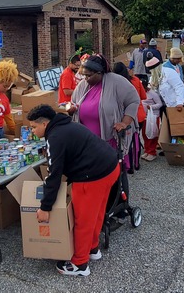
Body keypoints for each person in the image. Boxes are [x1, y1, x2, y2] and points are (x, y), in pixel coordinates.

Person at [27, 104, 120, 277]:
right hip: (110, 167)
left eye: (33, 127)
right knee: (97, 213)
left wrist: (45, 207)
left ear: (45, 124)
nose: (32, 131)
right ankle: (93, 249)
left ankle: (80, 264)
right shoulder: (67, 124)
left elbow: (53, 175)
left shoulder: (54, 138)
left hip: (91, 176)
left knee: (83, 221)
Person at [69, 54, 140, 153]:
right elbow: (74, 102)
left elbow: (133, 100)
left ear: (99, 72)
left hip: (109, 142)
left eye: (89, 75)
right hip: (86, 143)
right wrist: (72, 109)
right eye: (84, 75)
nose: (85, 78)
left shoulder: (117, 81)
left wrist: (124, 122)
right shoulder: (83, 85)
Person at [112, 62, 145, 172]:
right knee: (135, 140)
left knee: (125, 142)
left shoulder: (114, 84)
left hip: (124, 116)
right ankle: (136, 163)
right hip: (138, 114)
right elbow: (143, 96)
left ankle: (128, 165)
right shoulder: (135, 80)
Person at [141, 77, 164, 161]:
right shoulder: (139, 93)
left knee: (152, 134)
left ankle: (152, 152)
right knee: (145, 134)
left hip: (153, 116)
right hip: (144, 116)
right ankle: (147, 150)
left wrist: (150, 107)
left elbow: (160, 104)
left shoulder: (152, 93)